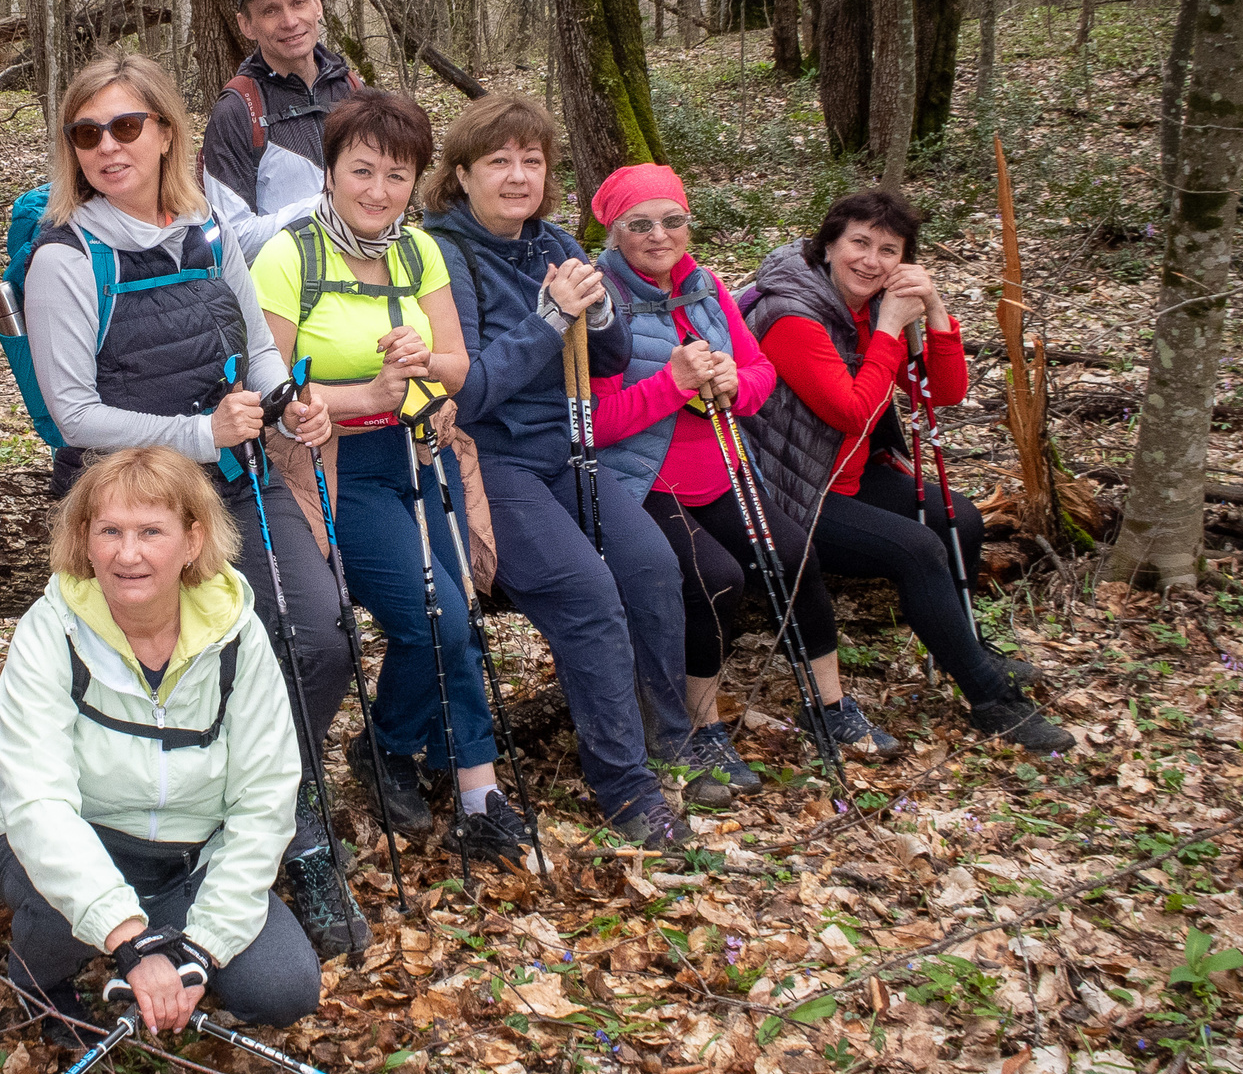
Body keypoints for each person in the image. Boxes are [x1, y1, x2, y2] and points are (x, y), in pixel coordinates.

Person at [20, 49, 366, 958]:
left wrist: (290, 398)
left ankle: (283, 816)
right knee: (185, 658)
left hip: (235, 473)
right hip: (130, 489)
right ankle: (211, 836)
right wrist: (201, 437)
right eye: (86, 132)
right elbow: (73, 414)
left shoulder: (211, 222)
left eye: (126, 125)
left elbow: (255, 348)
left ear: (167, 130)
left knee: (322, 635)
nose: (107, 146)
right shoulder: (67, 255)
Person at [250, 88, 531, 859]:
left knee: (456, 617)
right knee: (432, 615)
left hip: (422, 452)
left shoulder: (419, 251)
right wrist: (361, 395)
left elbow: (456, 366)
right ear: (331, 171)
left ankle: (469, 788)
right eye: (362, 170)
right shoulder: (289, 256)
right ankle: (389, 752)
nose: (378, 191)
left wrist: (423, 372)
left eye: (397, 175)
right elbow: (270, 388)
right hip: (339, 467)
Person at [423, 96, 704, 847]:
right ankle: (623, 784)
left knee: (650, 567)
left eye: (532, 161)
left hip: (567, 454)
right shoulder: (442, 254)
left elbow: (608, 360)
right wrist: (551, 317)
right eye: (499, 162)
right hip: (488, 464)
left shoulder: (551, 243)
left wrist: (598, 312)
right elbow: (471, 388)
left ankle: (668, 740)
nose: (518, 176)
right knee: (588, 595)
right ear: (462, 174)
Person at [0, 447, 324, 1043]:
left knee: (284, 988)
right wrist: (127, 941)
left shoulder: (239, 638)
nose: (128, 553)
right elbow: (38, 804)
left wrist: (202, 946)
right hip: (81, 836)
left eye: (151, 532)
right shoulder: (49, 631)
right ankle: (42, 974)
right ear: (84, 541)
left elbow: (266, 798)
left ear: (192, 541)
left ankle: (169, 937)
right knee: (55, 905)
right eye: (109, 531)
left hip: (191, 856)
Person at [587, 164, 896, 792]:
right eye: (639, 224)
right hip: (640, 483)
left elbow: (760, 377)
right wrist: (668, 386)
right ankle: (699, 729)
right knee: (716, 579)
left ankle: (830, 707)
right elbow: (592, 423)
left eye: (672, 220)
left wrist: (735, 382)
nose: (659, 235)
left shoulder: (706, 287)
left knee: (792, 556)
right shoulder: (595, 302)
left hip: (723, 467)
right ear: (614, 232)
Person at [742, 191, 1072, 753]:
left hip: (849, 469)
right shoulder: (788, 315)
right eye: (859, 243)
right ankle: (989, 696)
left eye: (888, 249)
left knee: (960, 519)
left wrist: (936, 311)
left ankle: (964, 646)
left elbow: (943, 393)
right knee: (916, 548)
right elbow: (849, 408)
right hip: (790, 485)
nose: (871, 261)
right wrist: (892, 330)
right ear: (828, 247)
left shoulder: (872, 307)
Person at [200, 0, 362, 258]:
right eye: (270, 11)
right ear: (246, 25)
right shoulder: (238, 110)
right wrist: (330, 206)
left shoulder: (353, 89)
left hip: (365, 283)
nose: (289, 21)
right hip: (284, 295)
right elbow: (233, 241)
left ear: (318, 6)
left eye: (298, 2)